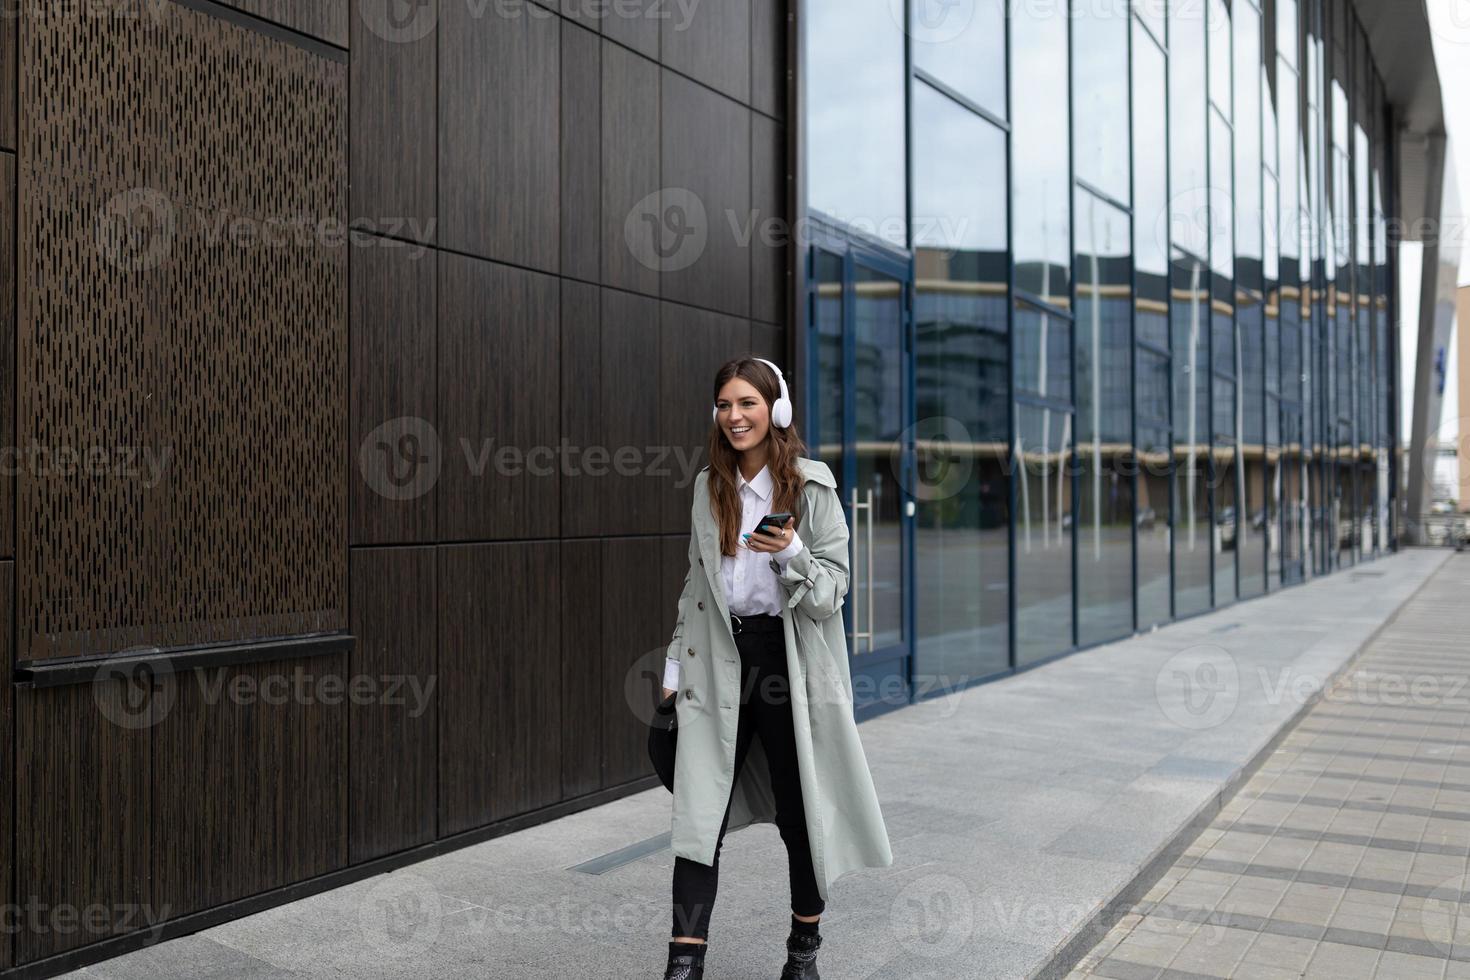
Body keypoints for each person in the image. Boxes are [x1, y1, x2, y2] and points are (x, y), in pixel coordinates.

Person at [659, 356, 892, 980]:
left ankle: (803, 952)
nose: (734, 416)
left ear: (776, 410)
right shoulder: (710, 487)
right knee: (698, 812)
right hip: (718, 661)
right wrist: (675, 664)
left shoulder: (812, 489)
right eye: (725, 405)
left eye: (748, 404)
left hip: (790, 666)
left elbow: (831, 596)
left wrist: (792, 553)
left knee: (801, 812)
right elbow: (694, 585)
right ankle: (684, 962)